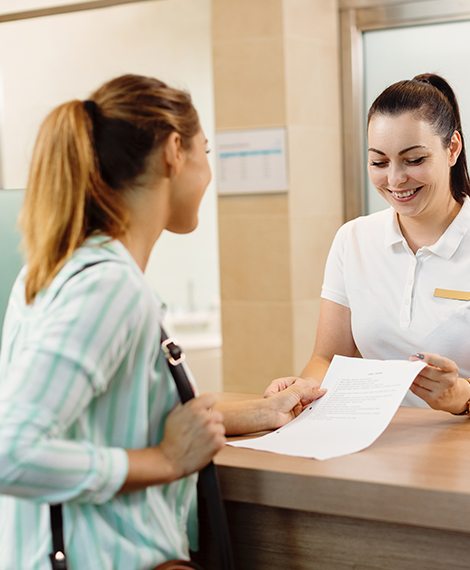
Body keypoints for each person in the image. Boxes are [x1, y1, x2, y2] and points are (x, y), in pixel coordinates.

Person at [0, 74, 325, 569]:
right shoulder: (108, 287)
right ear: (175, 150)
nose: (210, 173)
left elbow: (119, 416)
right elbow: (11, 451)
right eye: (207, 151)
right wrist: (166, 461)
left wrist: (263, 412)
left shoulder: (57, 270)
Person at [266, 73, 470, 415]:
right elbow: (328, 358)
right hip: (376, 446)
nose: (394, 179)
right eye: (379, 162)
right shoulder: (353, 240)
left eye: (414, 160)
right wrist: (302, 391)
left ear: (452, 148)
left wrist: (464, 398)